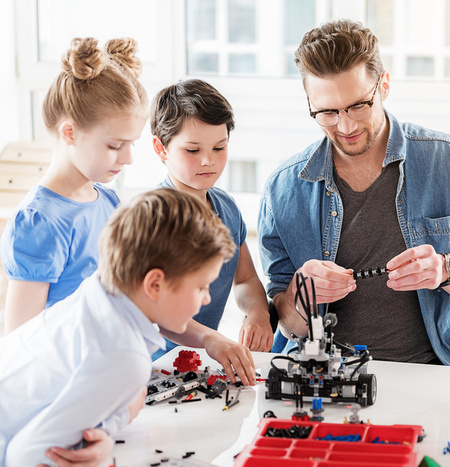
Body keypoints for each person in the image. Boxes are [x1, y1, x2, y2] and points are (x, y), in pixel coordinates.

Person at [257, 20, 450, 366]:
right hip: (325, 377)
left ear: (384, 85)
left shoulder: (448, 163)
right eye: (328, 112)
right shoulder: (282, 190)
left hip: (430, 373)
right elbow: (288, 324)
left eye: (359, 105)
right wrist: (301, 297)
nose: (345, 127)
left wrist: (447, 270)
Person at [0, 188, 238, 466]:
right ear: (154, 284)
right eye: (201, 286)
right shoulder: (123, 354)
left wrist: (112, 422)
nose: (208, 297)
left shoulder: (95, 292)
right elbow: (24, 458)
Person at [0, 37, 148, 333]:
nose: (128, 157)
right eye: (115, 145)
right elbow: (22, 338)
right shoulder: (39, 222)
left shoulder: (109, 202)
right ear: (70, 133)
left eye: (131, 144)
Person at [150, 79, 274, 357]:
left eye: (219, 148)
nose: (208, 161)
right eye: (192, 150)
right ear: (161, 149)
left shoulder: (227, 207)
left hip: (203, 360)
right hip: (153, 367)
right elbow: (152, 312)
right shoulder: (150, 219)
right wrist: (212, 339)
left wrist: (257, 313)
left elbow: (245, 279)